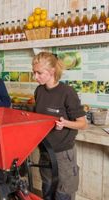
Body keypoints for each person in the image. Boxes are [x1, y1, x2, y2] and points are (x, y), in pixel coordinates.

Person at [32, 52, 87, 200]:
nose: (35, 77)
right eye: (34, 72)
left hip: (63, 154)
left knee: (64, 193)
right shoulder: (39, 91)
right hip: (44, 150)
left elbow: (82, 124)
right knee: (48, 189)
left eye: (39, 73)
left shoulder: (67, 92)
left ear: (51, 72)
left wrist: (65, 123)